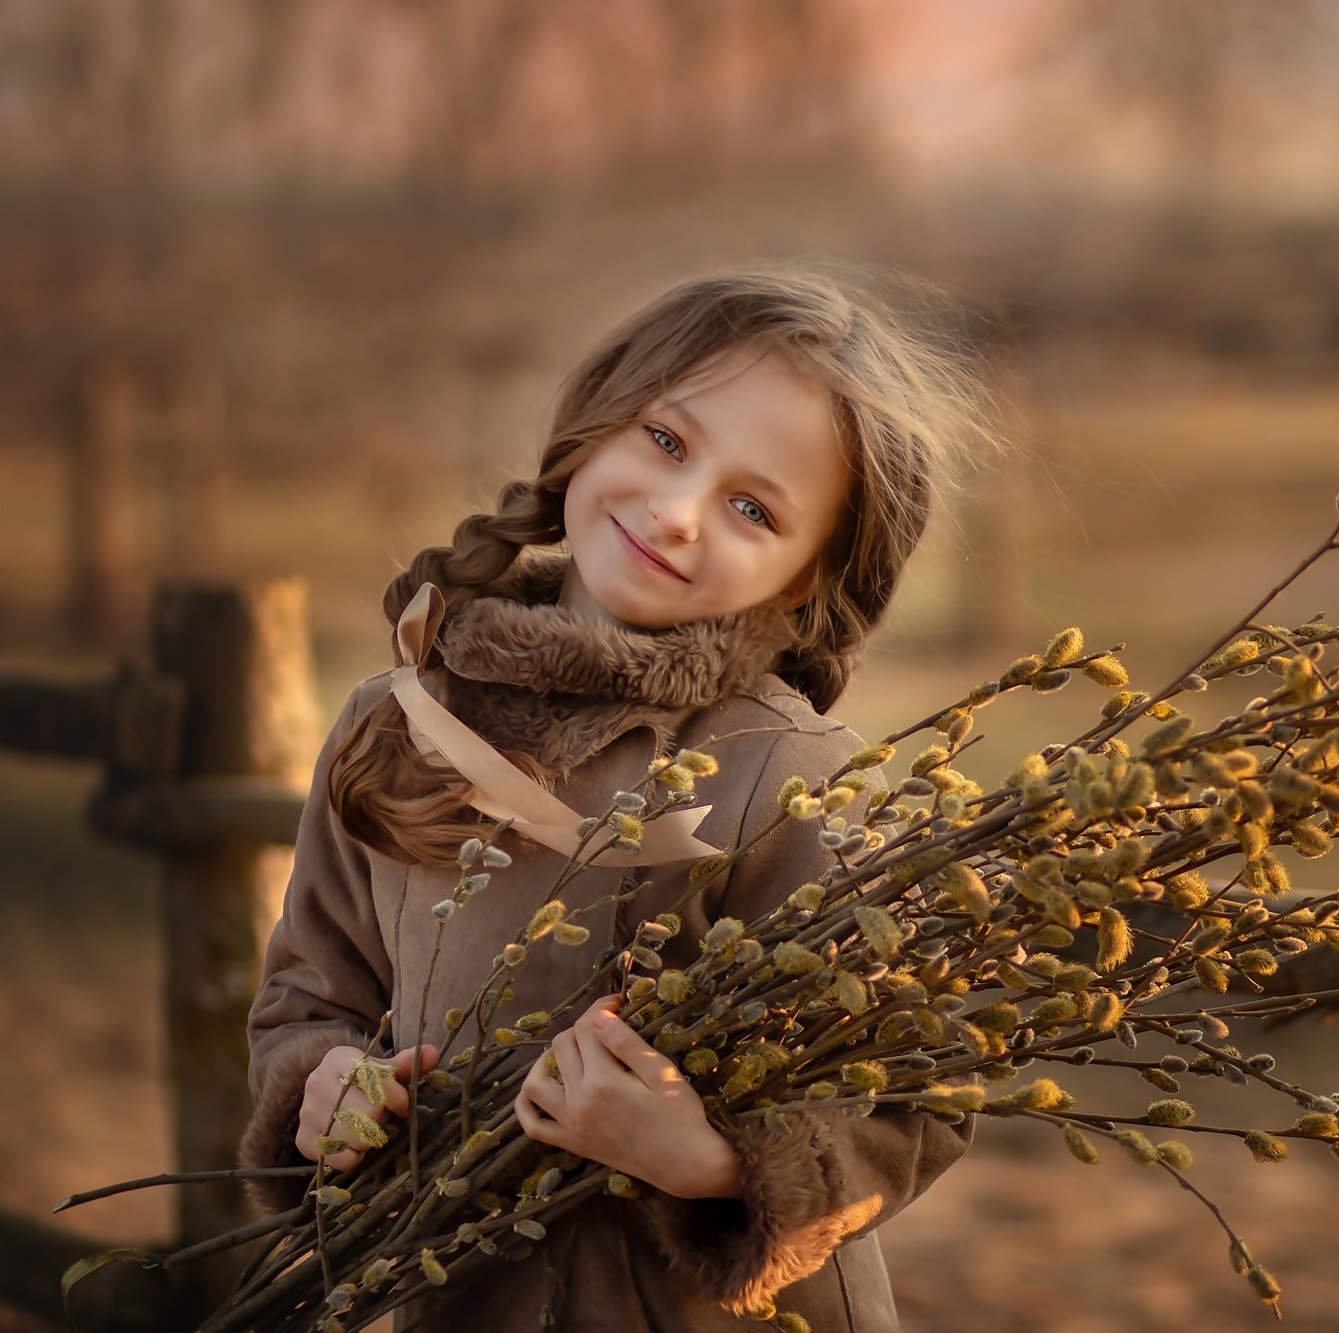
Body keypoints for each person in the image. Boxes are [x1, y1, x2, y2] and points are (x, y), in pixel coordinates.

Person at [240, 269, 992, 1331]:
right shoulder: (399, 715)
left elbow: (916, 1087)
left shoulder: (788, 775)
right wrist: (323, 1085)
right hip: (459, 1302)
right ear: (595, 424)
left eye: (750, 507)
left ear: (803, 580)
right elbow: (309, 996)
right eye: (667, 441)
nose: (676, 512)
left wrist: (711, 1160)